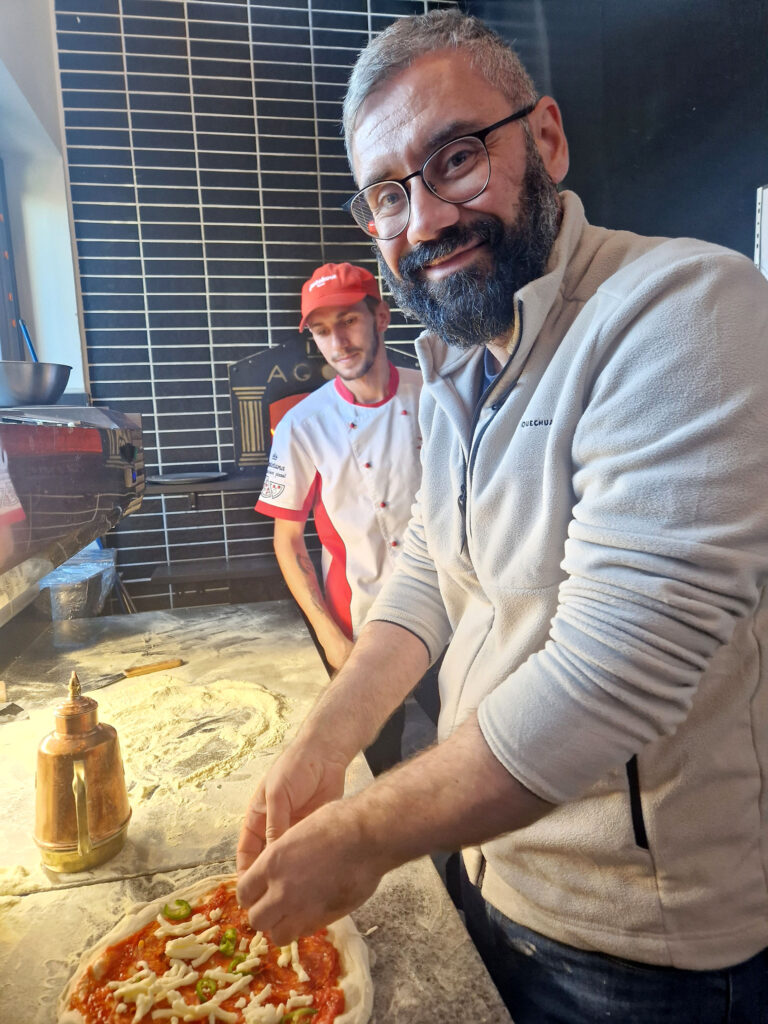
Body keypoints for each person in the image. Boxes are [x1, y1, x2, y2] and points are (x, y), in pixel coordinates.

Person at [238, 11, 768, 1023]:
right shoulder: (459, 363)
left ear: (547, 140)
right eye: (388, 194)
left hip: (642, 950)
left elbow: (613, 674)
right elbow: (429, 568)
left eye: (456, 158)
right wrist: (324, 741)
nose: (426, 219)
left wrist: (364, 831)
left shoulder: (685, 310)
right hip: (487, 871)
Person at [255, 262, 427, 773]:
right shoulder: (301, 425)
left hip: (449, 607)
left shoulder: (434, 397)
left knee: (464, 733)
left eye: (349, 321)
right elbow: (287, 540)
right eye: (322, 330)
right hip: (361, 619)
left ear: (381, 317)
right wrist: (330, 637)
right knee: (378, 759)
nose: (338, 342)